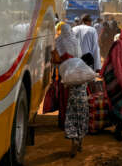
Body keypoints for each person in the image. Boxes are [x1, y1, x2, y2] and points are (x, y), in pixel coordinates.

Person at [53, 24, 89, 157]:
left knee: (70, 113)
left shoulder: (59, 41)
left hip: (66, 74)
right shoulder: (76, 41)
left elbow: (57, 59)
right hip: (82, 98)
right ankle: (80, 141)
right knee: (82, 118)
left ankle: (73, 138)